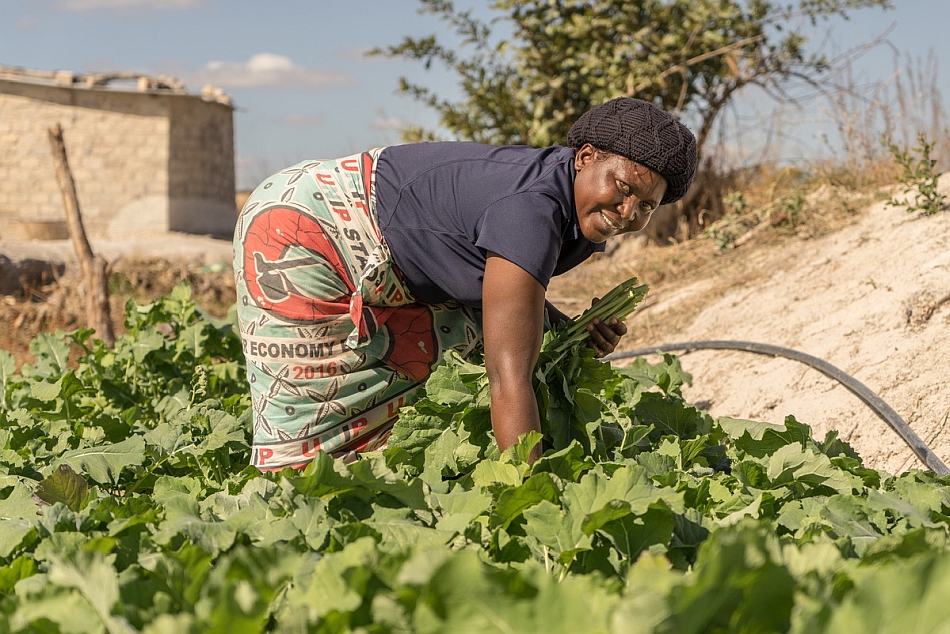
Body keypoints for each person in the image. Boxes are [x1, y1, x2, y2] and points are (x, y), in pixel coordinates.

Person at [232, 97, 697, 471]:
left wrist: (567, 329)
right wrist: (529, 493)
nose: (628, 212)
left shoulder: (571, 205)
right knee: (302, 442)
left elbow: (507, 296)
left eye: (647, 205)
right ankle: (277, 525)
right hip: (302, 230)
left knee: (465, 340)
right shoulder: (531, 210)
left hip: (380, 249)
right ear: (586, 158)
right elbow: (508, 376)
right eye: (623, 187)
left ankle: (368, 481)